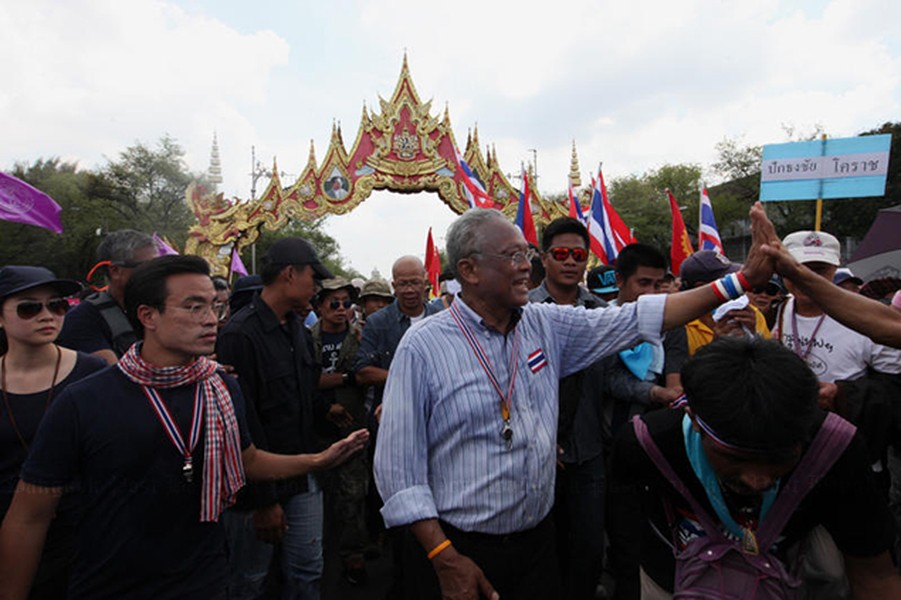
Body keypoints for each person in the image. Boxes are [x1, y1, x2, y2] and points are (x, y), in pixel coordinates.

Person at [373, 205, 774, 600]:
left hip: (537, 543)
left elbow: (640, 318)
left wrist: (741, 280)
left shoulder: (545, 324)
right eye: (512, 256)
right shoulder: (423, 346)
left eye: (526, 254)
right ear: (469, 270)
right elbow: (398, 471)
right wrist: (444, 557)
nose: (525, 267)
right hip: (457, 548)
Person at [0, 255, 368, 599]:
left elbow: (248, 459)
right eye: (194, 307)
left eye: (214, 306)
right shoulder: (84, 400)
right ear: (148, 315)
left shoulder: (222, 387)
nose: (211, 319)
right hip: (110, 583)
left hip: (204, 580)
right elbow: (29, 517)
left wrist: (317, 461)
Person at [608, 337, 901, 598]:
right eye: (734, 458)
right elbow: (628, 540)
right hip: (673, 581)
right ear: (695, 418)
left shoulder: (833, 451)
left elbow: (875, 575)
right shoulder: (647, 445)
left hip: (796, 581)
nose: (757, 480)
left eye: (779, 460)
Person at [216, 238, 351, 600]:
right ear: (290, 274)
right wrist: (264, 501)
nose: (317, 286)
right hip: (255, 488)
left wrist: (328, 412)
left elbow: (303, 394)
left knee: (308, 572)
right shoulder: (239, 335)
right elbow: (241, 425)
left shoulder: (297, 330)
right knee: (251, 580)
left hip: (303, 473)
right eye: (313, 277)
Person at [0, 266, 107, 598]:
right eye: (29, 307)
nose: (47, 315)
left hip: (82, 535)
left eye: (58, 305)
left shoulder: (93, 372)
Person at [527, 217, 606, 600]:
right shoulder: (522, 312)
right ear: (545, 258)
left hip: (589, 449)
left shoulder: (600, 311)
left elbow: (615, 379)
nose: (570, 262)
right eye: (561, 254)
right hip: (536, 452)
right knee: (544, 549)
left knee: (590, 547)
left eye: (578, 255)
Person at [310, 277, 371, 585]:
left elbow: (365, 375)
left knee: (353, 494)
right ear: (319, 306)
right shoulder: (306, 338)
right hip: (314, 430)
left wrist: (342, 380)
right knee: (317, 496)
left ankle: (353, 556)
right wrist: (341, 384)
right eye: (333, 303)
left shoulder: (361, 336)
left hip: (353, 426)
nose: (341, 309)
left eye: (346, 303)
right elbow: (303, 383)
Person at [58, 229, 158, 363]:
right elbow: (113, 377)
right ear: (116, 271)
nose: (158, 272)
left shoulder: (164, 307)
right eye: (148, 266)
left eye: (158, 264)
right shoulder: (82, 319)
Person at [679, 250, 771, 355]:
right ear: (701, 287)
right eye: (728, 283)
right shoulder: (679, 325)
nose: (736, 286)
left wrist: (754, 335)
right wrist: (717, 346)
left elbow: (771, 363)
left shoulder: (751, 314)